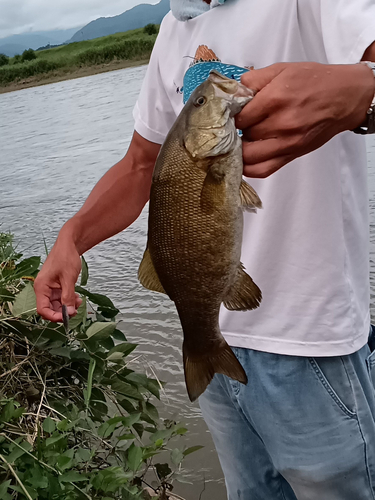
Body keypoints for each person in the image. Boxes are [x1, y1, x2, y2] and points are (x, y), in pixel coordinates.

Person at [34, 0, 375, 498]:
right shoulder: (176, 26)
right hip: (209, 341)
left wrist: (365, 87)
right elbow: (138, 166)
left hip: (309, 341)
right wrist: (72, 237)